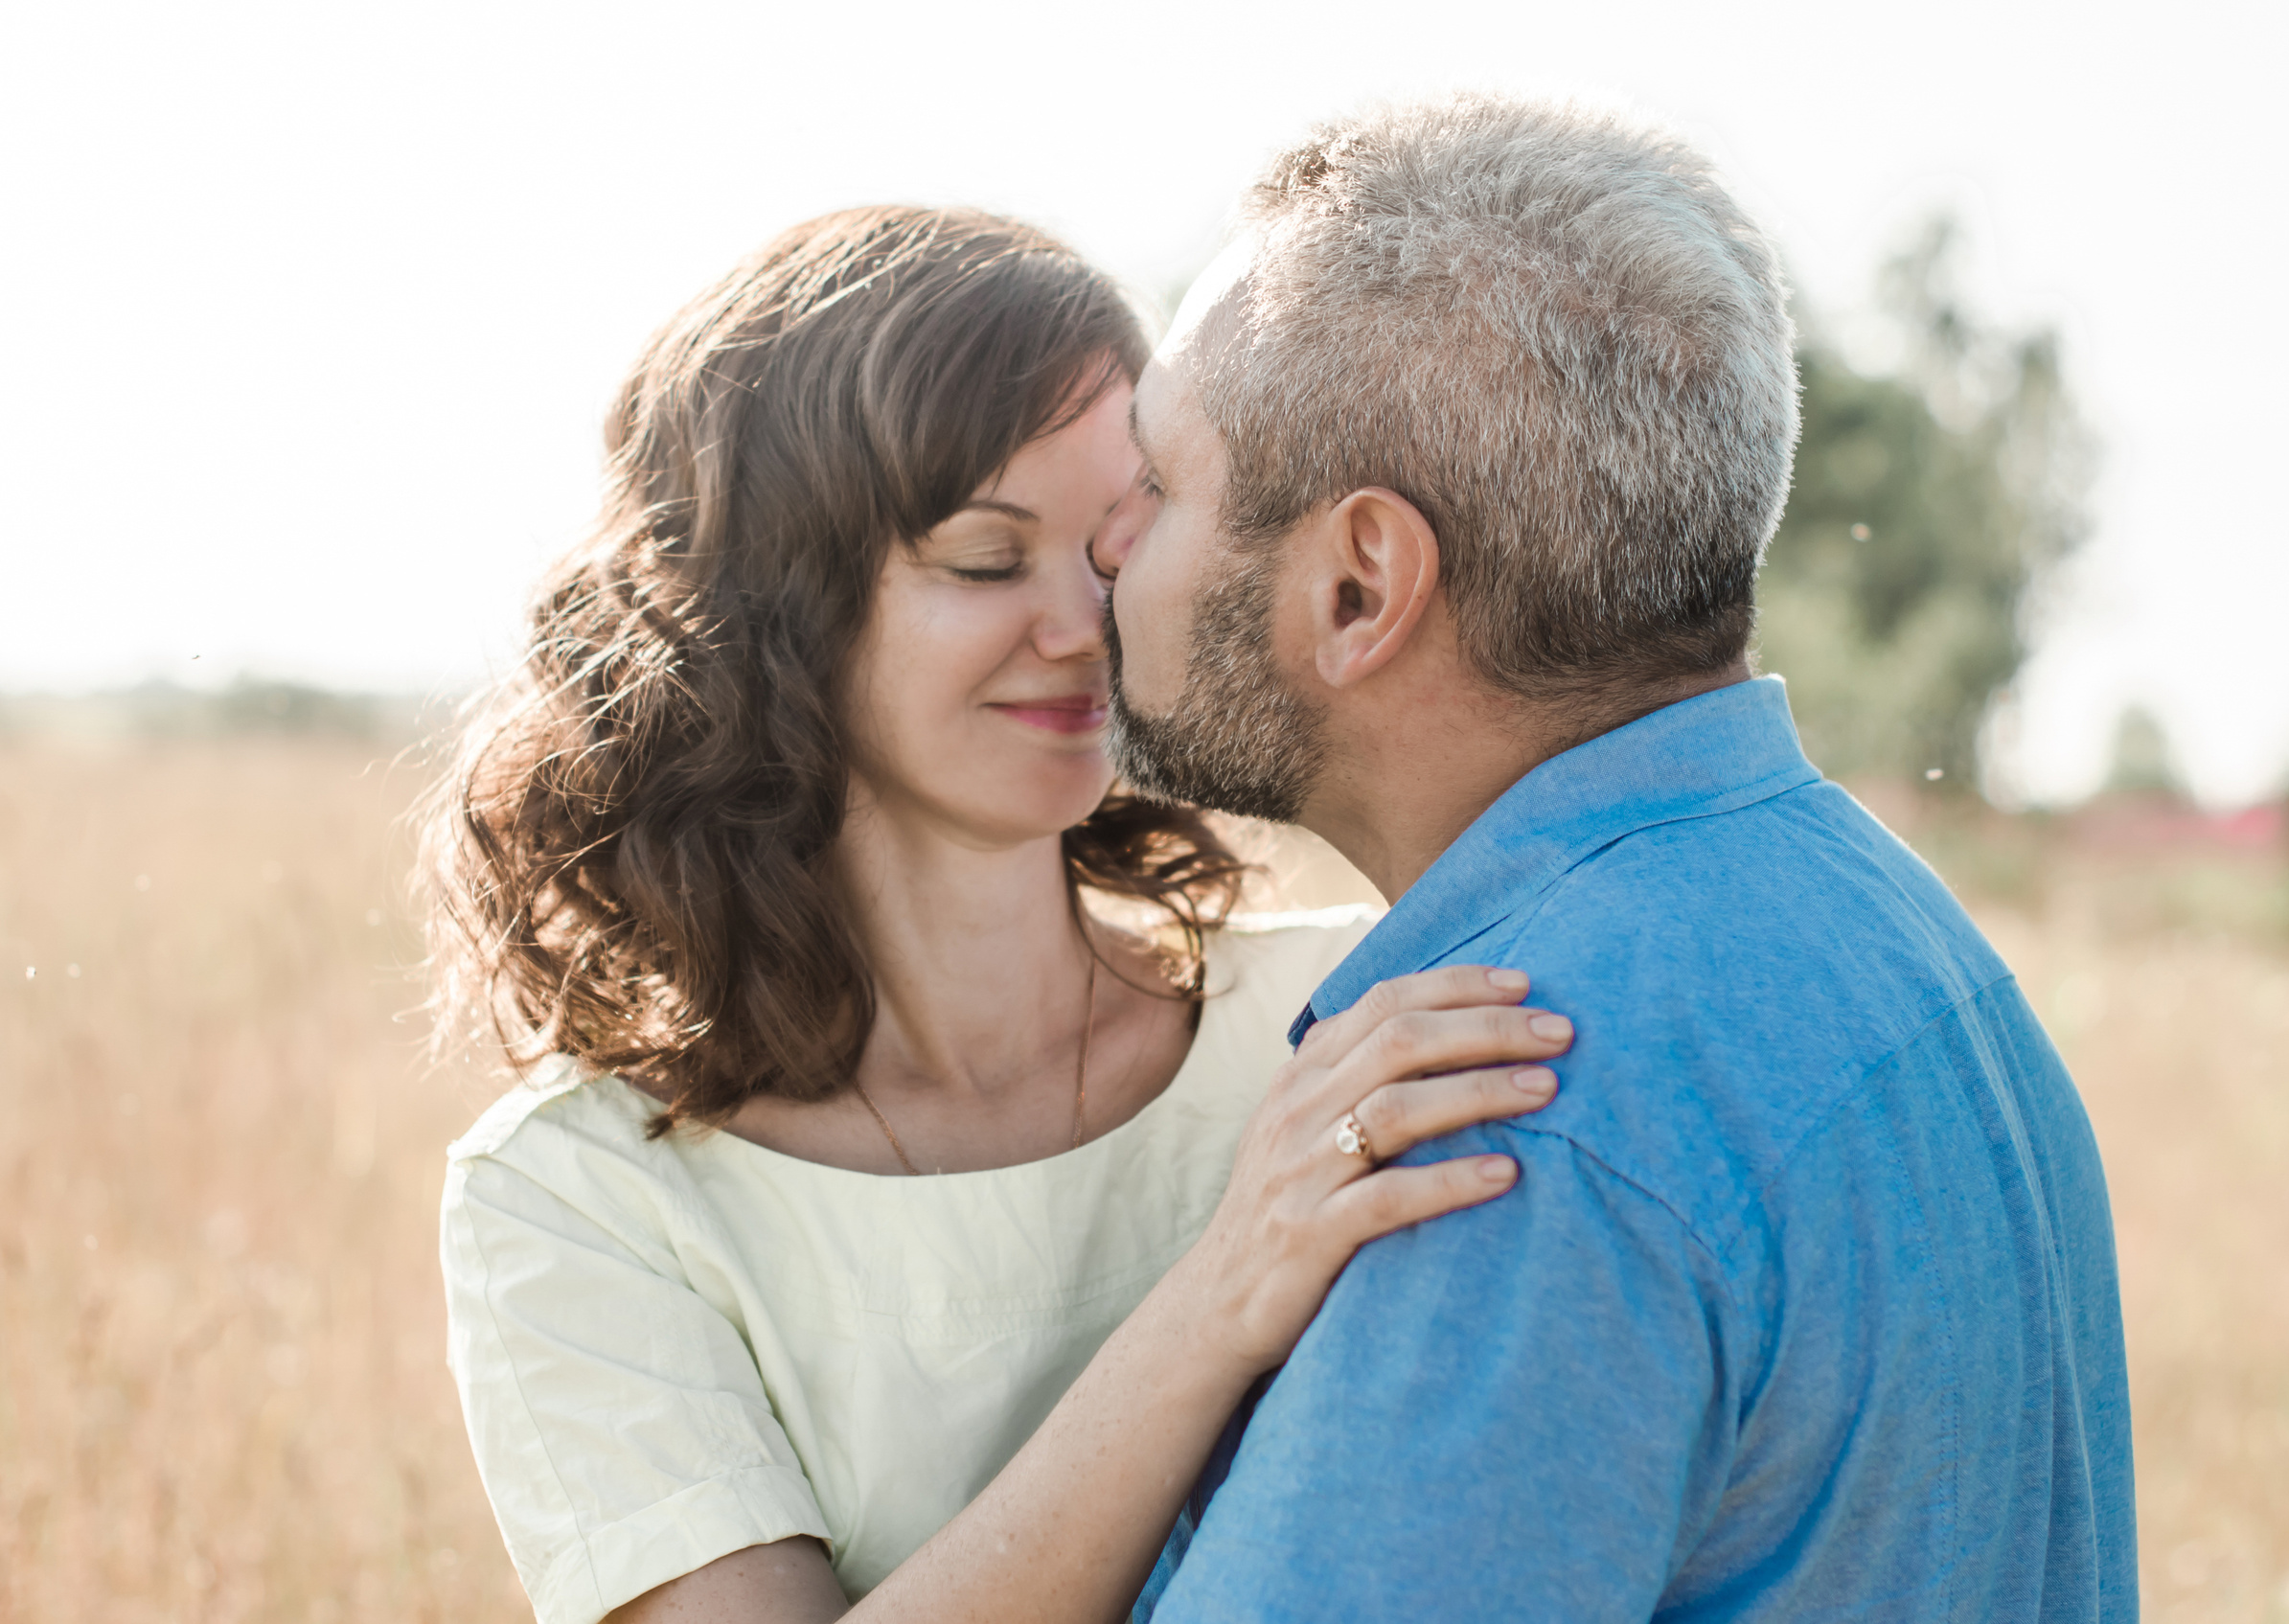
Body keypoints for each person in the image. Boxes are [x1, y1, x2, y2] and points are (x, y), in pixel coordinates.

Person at [424, 205, 1575, 1624]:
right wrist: (1219, 1297)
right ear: (772, 607)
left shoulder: (1347, 1025)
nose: (1083, 622)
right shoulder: (583, 1198)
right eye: (986, 560)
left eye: (1120, 545)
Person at [1096, 95, 2135, 1621]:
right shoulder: (1907, 942)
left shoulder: (1504, 1116)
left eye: (1163, 485)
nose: (1111, 544)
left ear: (1358, 586)